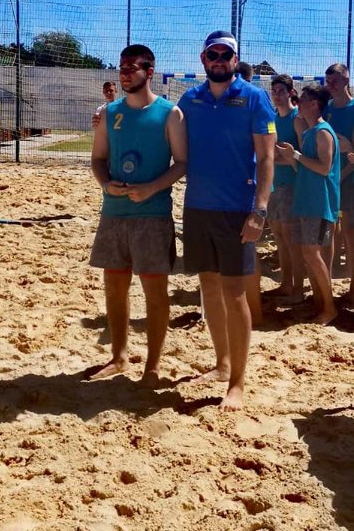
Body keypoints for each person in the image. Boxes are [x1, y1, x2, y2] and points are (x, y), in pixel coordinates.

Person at [177, 30, 276, 411]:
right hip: (198, 207)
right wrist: (105, 115)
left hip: (238, 209)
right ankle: (221, 364)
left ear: (235, 60)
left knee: (235, 293)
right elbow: (162, 130)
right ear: (203, 59)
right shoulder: (190, 99)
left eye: (225, 55)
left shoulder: (254, 98)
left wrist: (260, 210)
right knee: (208, 286)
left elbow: (266, 159)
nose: (219, 60)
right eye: (212, 54)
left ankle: (237, 383)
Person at [88, 44, 186, 387]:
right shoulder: (109, 112)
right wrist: (106, 184)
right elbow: (97, 160)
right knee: (115, 289)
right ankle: (119, 357)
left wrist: (152, 188)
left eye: (132, 67)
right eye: (122, 67)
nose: (125, 73)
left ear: (150, 71)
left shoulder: (170, 114)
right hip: (114, 212)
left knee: (155, 294)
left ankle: (152, 367)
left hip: (152, 215)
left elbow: (182, 163)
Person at [277, 85, 340, 325]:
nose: (298, 102)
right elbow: (304, 168)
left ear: (314, 104)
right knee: (309, 254)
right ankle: (319, 304)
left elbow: (323, 168)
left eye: (302, 99)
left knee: (314, 254)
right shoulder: (310, 133)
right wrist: (292, 157)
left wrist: (296, 155)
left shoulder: (323, 132)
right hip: (307, 201)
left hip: (320, 203)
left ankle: (330, 308)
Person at [267, 75, 307, 304]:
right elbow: (270, 151)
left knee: (292, 240)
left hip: (292, 184)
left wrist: (276, 158)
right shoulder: (272, 119)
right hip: (274, 184)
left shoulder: (297, 119)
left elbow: (300, 156)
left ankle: (298, 290)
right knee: (279, 238)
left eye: (281, 91)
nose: (277, 95)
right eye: (274, 91)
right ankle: (286, 284)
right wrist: (274, 158)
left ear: (291, 92)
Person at [324, 63, 354, 311]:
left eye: (335, 81)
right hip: (330, 181)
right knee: (330, 233)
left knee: (350, 235)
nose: (331, 85)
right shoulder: (327, 109)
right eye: (328, 81)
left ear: (346, 80)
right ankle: (327, 290)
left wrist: (350, 150)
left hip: (349, 180)